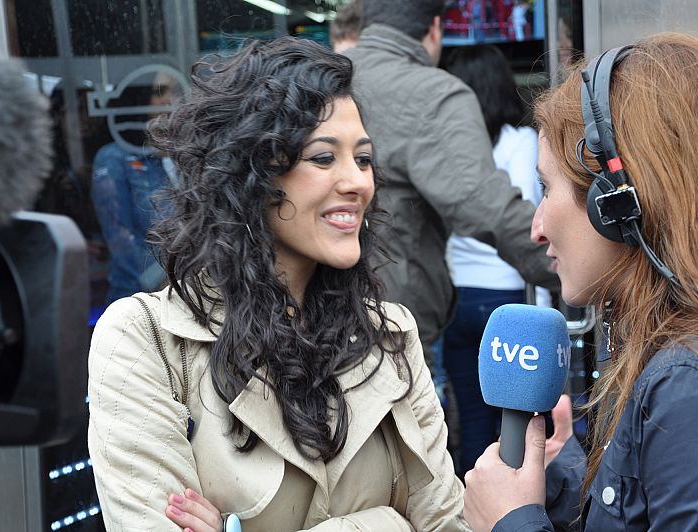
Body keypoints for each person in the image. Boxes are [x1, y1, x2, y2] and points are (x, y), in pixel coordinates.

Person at [87, 37, 468, 532]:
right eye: (324, 158)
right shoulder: (145, 341)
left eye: (365, 158)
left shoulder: (391, 333)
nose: (358, 181)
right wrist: (388, 524)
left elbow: (447, 523)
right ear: (251, 175)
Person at [463, 32, 698, 531]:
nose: (536, 228)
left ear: (618, 203)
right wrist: (565, 478)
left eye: (546, 189)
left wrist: (511, 522)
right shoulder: (682, 360)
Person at [345, 0, 557, 366]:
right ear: (435, 30)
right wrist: (569, 260)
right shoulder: (432, 93)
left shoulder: (322, 81)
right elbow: (483, 205)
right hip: (391, 323)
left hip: (305, 315)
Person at [442, 44, 549, 477]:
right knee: (514, 429)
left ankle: (472, 514)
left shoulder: (447, 151)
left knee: (471, 422)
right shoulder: (520, 142)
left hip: (456, 301)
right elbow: (526, 223)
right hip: (507, 306)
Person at [90, 72, 179, 305]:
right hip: (139, 299)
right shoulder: (114, 158)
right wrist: (161, 279)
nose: (169, 99)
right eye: (158, 92)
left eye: (173, 91)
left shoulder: (177, 154)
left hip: (182, 292)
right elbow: (120, 237)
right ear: (138, 98)